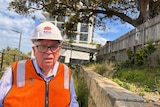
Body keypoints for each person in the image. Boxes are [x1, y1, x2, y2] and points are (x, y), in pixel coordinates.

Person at [0, 21, 79, 107]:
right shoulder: (15, 70)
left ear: (59, 50)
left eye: (53, 47)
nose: (49, 52)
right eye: (43, 46)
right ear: (34, 50)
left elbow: (72, 103)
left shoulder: (65, 72)